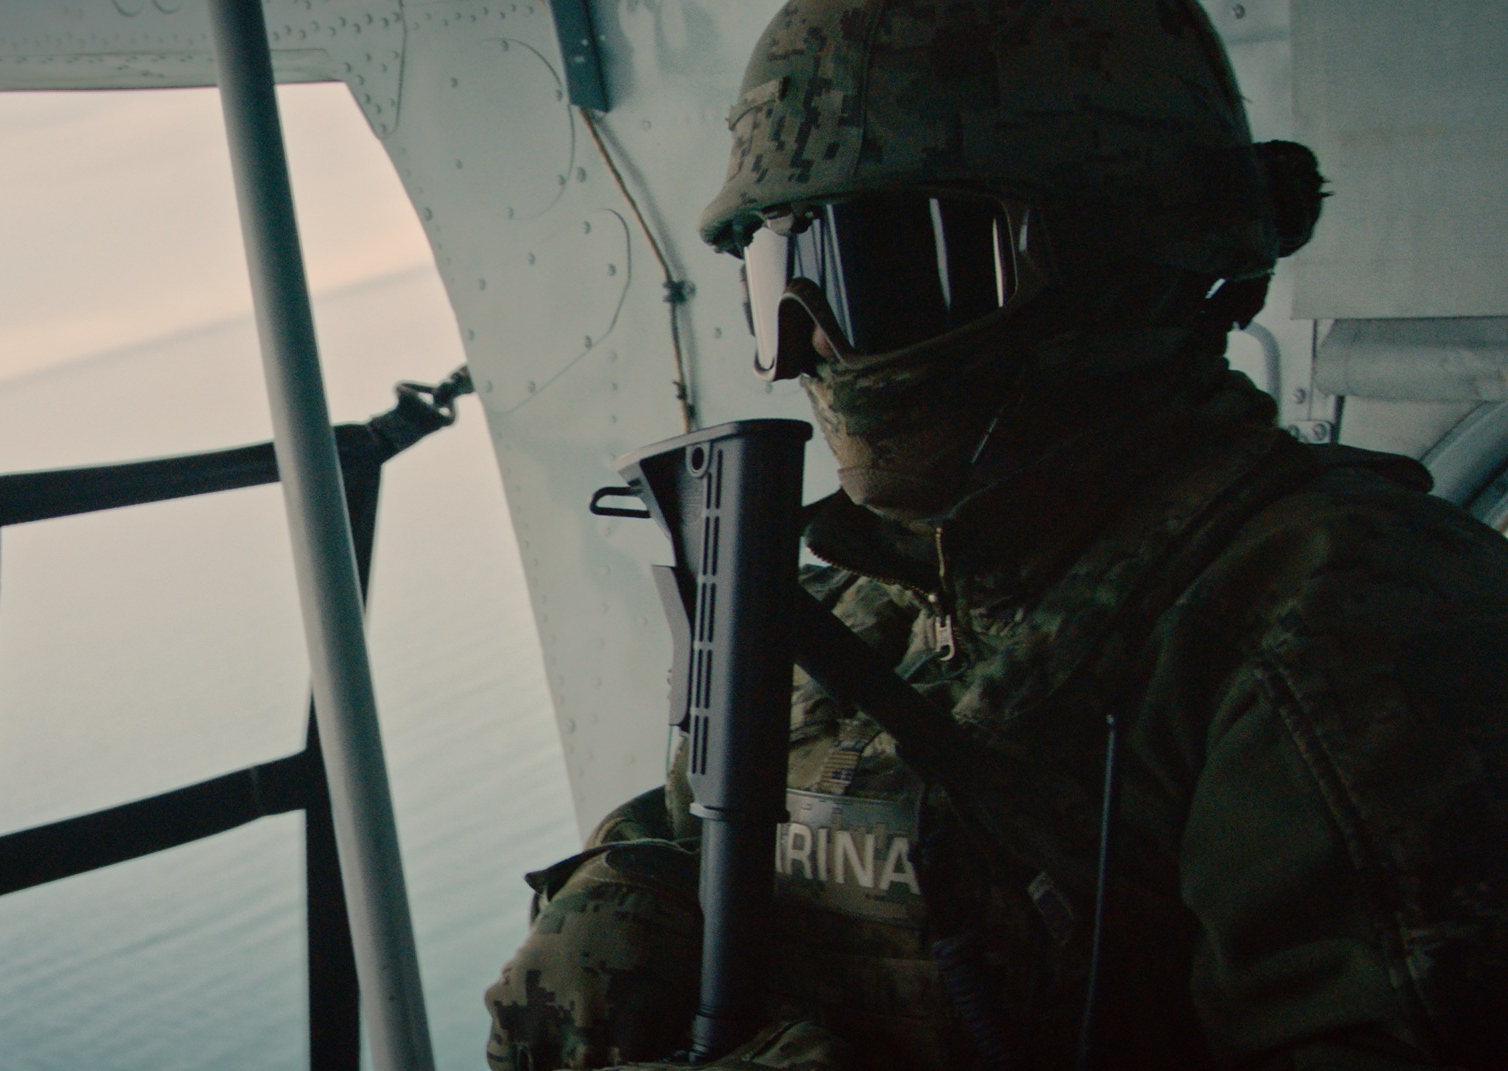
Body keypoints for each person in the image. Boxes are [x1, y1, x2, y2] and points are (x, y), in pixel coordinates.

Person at [483, 0, 1508, 1068]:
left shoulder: (1347, 623)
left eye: (873, 272)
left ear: (1123, 252)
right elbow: (712, 829)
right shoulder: (870, 598)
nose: (802, 350)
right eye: (773, 279)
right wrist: (629, 880)